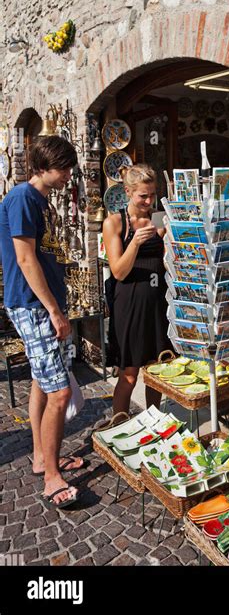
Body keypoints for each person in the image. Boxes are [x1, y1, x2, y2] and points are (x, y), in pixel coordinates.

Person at [0, 135, 85, 510]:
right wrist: (52, 309)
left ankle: (41, 457)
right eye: (64, 167)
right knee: (59, 392)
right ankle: (52, 477)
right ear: (44, 167)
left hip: (42, 303)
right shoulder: (22, 197)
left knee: (41, 379)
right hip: (34, 306)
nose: (69, 174)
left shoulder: (39, 199)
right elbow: (25, 259)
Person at [102, 164, 170, 414]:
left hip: (158, 302)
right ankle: (118, 423)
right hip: (129, 304)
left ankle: (154, 423)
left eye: (152, 194)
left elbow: (164, 262)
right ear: (128, 192)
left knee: (157, 370)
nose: (149, 200)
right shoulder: (115, 222)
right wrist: (135, 243)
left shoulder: (158, 216)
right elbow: (118, 271)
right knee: (129, 373)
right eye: (143, 195)